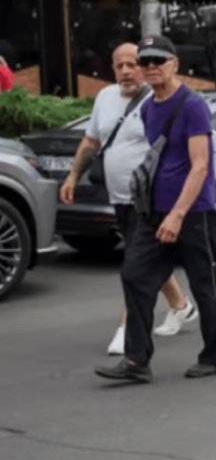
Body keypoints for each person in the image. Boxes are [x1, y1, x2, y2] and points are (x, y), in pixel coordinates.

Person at [96, 35, 216, 384]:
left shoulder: (192, 105)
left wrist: (177, 214)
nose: (151, 66)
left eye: (159, 59)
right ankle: (136, 361)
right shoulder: (147, 108)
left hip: (193, 215)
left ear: (175, 63)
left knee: (205, 287)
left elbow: (199, 165)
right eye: (146, 61)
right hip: (153, 212)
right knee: (135, 276)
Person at [61, 42, 199, 356]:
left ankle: (128, 331)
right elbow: (91, 140)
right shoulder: (105, 98)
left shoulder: (159, 99)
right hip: (119, 198)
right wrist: (72, 175)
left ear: (145, 65)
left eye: (132, 64)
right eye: (119, 65)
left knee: (135, 266)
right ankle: (180, 304)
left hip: (150, 200)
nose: (126, 71)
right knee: (146, 259)